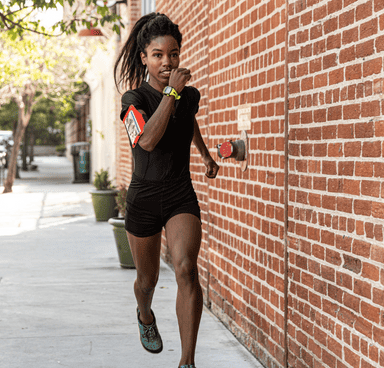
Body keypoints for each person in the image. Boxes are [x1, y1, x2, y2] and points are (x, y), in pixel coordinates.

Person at [114, 12, 219, 368]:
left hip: (179, 195)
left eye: (173, 54)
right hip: (143, 199)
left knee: (187, 268)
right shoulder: (133, 100)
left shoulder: (189, 97)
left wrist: (205, 155)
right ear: (144, 57)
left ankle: (187, 362)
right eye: (158, 54)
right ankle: (144, 315)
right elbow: (146, 141)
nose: (167, 62)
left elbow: (188, 124)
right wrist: (171, 92)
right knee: (147, 281)